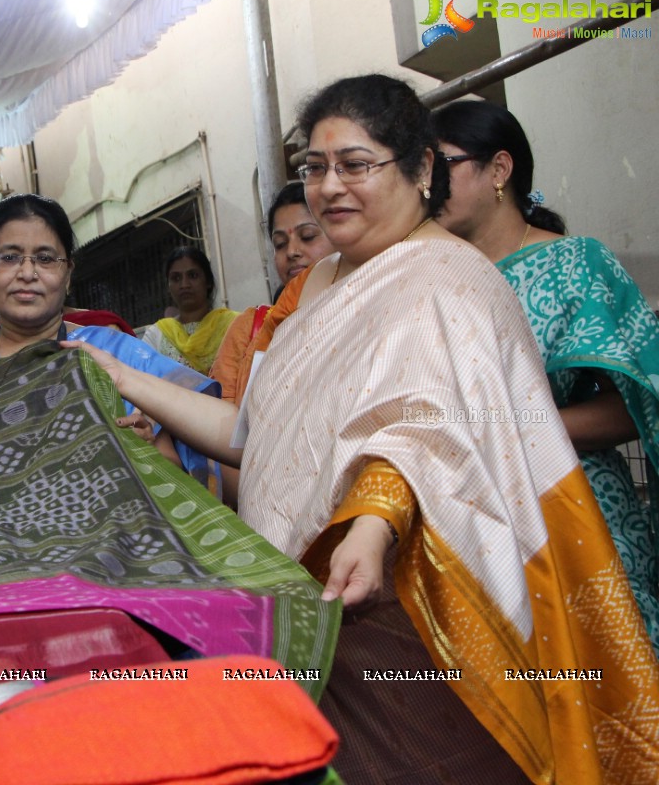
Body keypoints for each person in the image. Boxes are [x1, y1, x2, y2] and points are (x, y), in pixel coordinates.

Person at [69, 75, 659, 783]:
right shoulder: (315, 288)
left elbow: (427, 433)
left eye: (356, 165)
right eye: (315, 168)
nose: (329, 188)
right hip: (312, 599)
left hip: (408, 596)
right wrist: (128, 378)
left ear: (420, 170)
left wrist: (371, 527)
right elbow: (253, 436)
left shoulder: (449, 280)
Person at [434, 99, 659, 651]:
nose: (427, 187)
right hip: (474, 524)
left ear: (500, 171)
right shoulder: (432, 279)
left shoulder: (575, 263)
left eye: (441, 168)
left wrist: (510, 430)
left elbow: (631, 407)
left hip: (575, 503)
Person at [0, 193, 219, 483]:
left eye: (45, 258)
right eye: (9, 257)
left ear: (68, 274)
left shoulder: (114, 353)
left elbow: (180, 467)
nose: (28, 272)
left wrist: (142, 452)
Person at [211, 181, 334, 405]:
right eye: (280, 244)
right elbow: (221, 419)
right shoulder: (249, 328)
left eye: (307, 236)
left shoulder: (367, 309)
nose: (292, 252)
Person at [139, 247, 237, 375]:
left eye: (193, 275)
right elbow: (144, 380)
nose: (184, 284)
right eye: (176, 278)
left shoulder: (233, 325)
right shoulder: (156, 335)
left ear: (208, 282)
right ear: (168, 286)